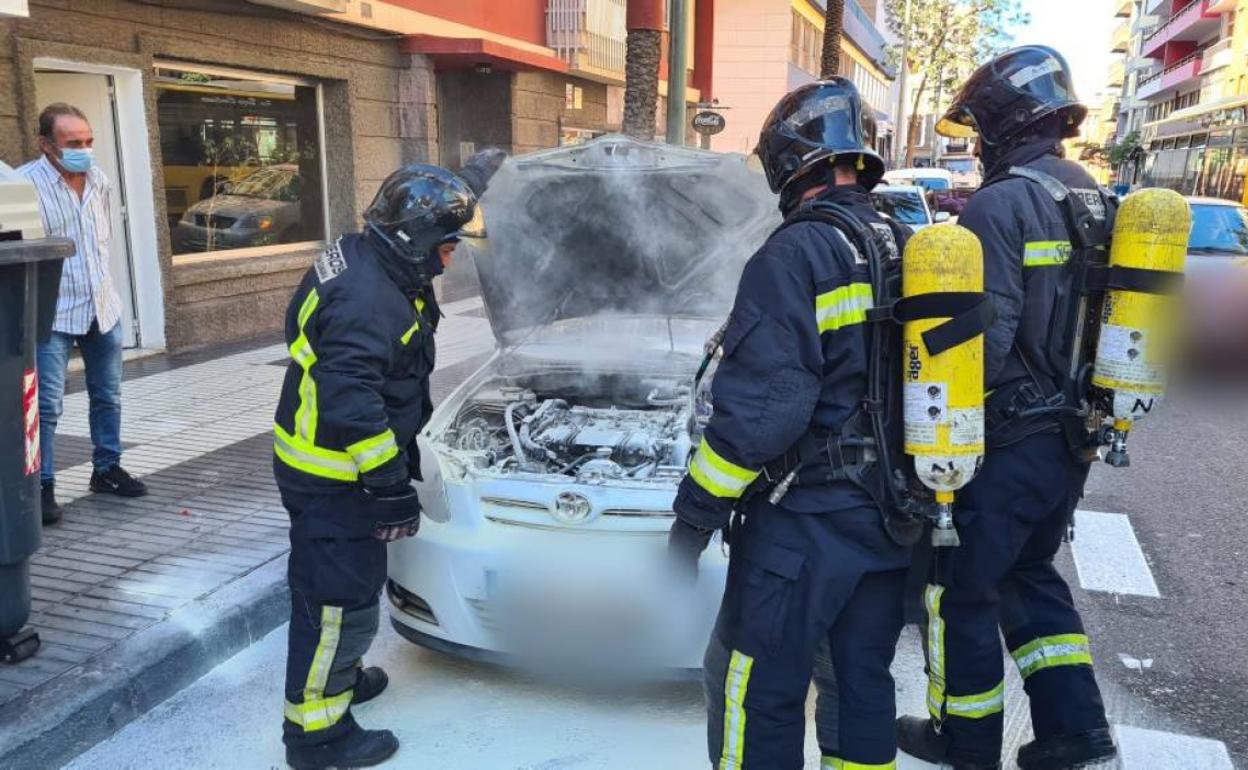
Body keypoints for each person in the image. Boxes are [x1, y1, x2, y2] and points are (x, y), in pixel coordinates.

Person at [668, 78, 915, 770]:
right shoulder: (903, 242)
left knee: (754, 687)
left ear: (789, 162)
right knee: (861, 682)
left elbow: (765, 412)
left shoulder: (794, 254)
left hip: (804, 524)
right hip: (892, 521)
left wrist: (693, 519)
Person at [895, 46, 1118, 770]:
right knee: (1031, 576)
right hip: (1071, 437)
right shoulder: (1088, 191)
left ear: (1000, 124)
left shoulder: (1002, 203)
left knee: (961, 593)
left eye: (980, 130)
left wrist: (929, 431)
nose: (978, 144)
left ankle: (965, 744)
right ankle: (1075, 733)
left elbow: (981, 339)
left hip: (1008, 440)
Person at [273, 153, 499, 770]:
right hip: (334, 475)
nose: (451, 260)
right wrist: (389, 485)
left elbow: (418, 203)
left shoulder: (370, 253)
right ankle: (316, 734)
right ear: (416, 240)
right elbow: (354, 406)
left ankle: (339, 683)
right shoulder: (369, 300)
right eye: (447, 246)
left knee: (344, 592)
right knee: (333, 604)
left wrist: (469, 184)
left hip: (329, 468)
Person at [20, 102, 147, 526]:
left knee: (108, 395)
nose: (85, 150)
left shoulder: (99, 180)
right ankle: (42, 486)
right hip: (51, 313)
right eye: (74, 143)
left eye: (89, 141)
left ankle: (106, 469)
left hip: (101, 307)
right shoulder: (25, 185)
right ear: (45, 144)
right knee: (46, 406)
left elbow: (102, 242)